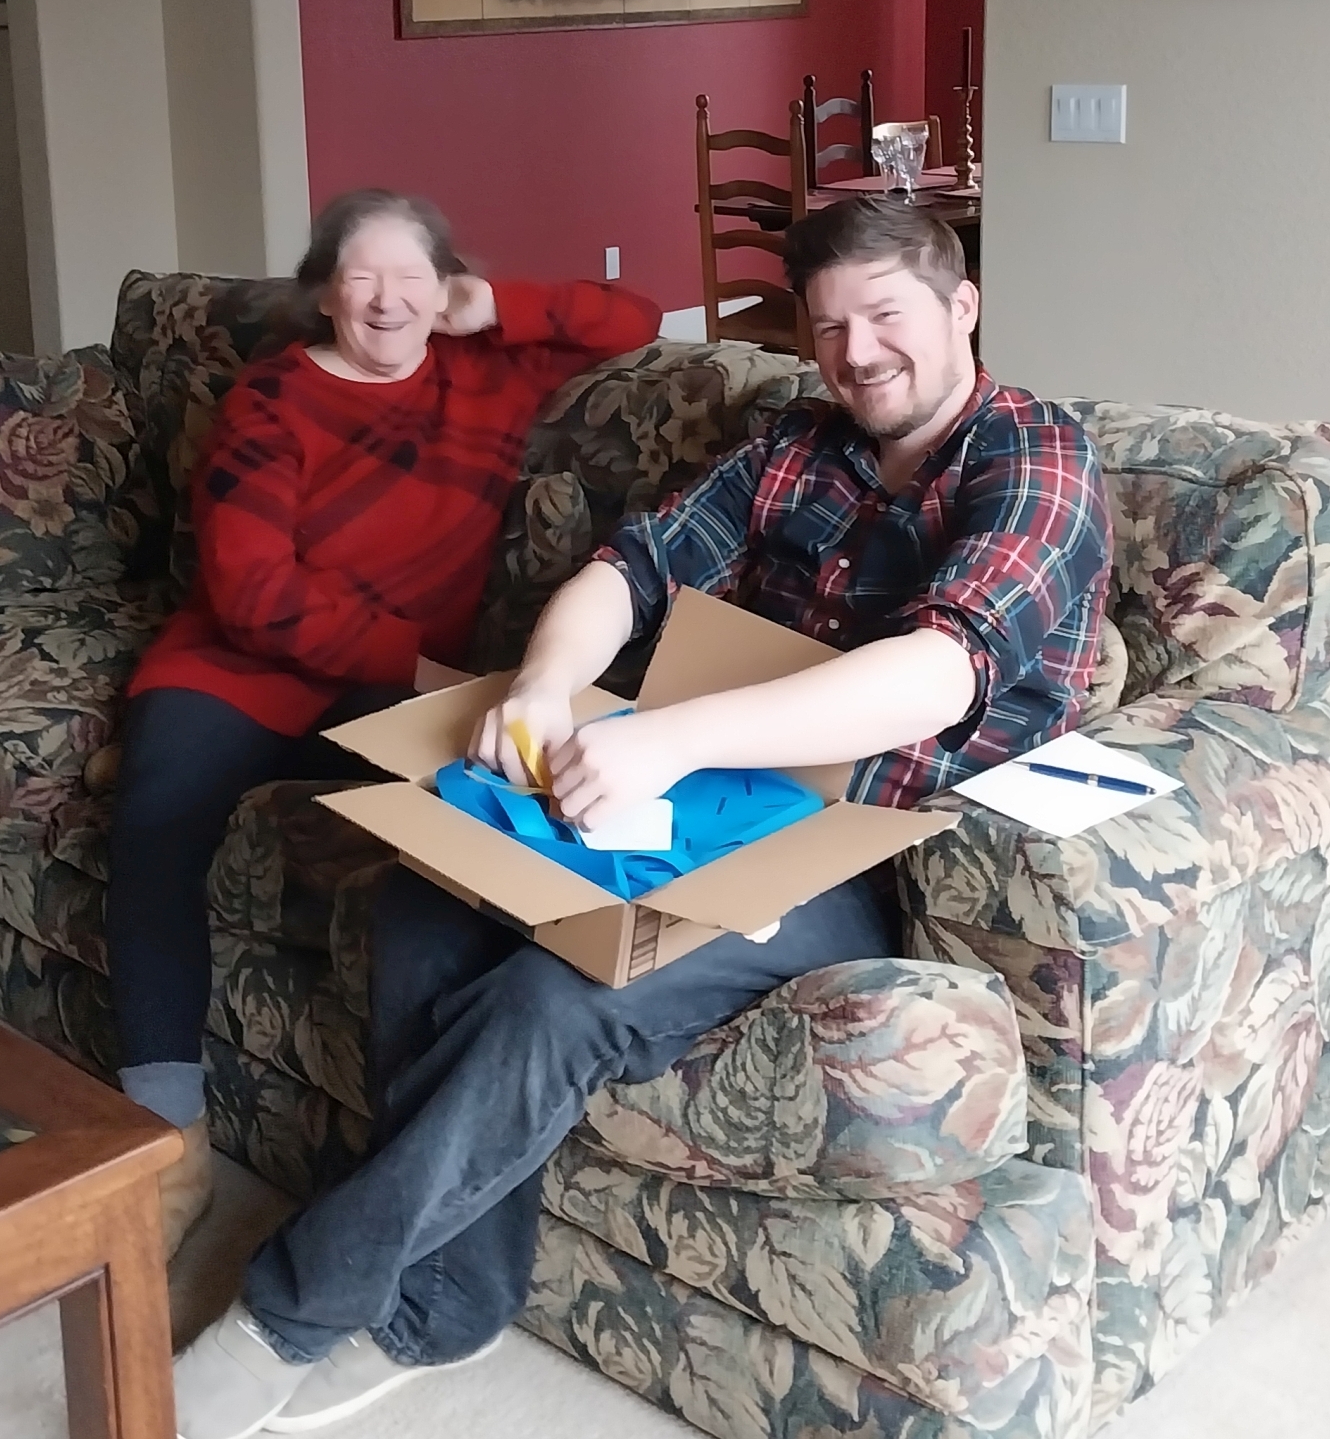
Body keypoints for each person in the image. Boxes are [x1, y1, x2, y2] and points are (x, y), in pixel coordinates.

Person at [171, 198, 1112, 1439]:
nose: (858, 352)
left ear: (961, 308)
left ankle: (286, 1317)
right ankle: (449, 1305)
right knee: (423, 898)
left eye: (887, 316)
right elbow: (632, 568)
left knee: (556, 997)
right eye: (829, 327)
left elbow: (937, 673)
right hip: (706, 797)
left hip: (857, 852)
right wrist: (543, 686)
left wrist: (669, 740)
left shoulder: (1034, 459)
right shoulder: (798, 443)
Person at [106, 188, 660, 1260]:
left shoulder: (486, 372)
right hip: (244, 669)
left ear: (446, 287)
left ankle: (409, 1168)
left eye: (414, 276)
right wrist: (416, 665)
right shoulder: (272, 399)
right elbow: (252, 596)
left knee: (457, 852)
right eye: (361, 276)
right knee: (157, 826)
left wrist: (493, 302)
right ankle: (166, 1134)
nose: (387, 299)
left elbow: (629, 316)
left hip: (394, 692)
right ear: (325, 291)